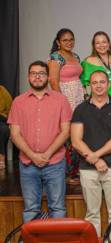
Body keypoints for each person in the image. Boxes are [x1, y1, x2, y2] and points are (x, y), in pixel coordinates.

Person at [8, 61, 71, 222]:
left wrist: (47, 154)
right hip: (28, 164)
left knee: (57, 208)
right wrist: (33, 155)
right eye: (33, 73)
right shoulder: (18, 102)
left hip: (55, 163)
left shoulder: (61, 100)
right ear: (28, 76)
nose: (37, 76)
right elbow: (15, 134)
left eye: (41, 73)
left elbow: (66, 131)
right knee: (30, 209)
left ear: (48, 77)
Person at [71, 70, 111, 236]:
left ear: (108, 84)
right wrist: (95, 160)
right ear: (89, 86)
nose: (99, 86)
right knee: (91, 214)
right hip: (87, 168)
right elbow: (75, 141)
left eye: (102, 82)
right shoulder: (80, 109)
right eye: (95, 83)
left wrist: (96, 156)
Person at [48, 28, 84, 184]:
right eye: (65, 40)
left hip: (78, 97)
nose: (69, 42)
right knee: (67, 136)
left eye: (71, 39)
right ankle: (69, 173)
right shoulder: (56, 57)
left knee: (79, 133)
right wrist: (62, 103)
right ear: (58, 42)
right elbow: (53, 81)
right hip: (65, 98)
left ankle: (78, 170)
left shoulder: (75, 56)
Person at [81, 31, 111, 104]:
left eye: (104, 42)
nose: (101, 45)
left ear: (108, 43)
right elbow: (81, 82)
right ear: (94, 45)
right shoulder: (88, 61)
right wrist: (86, 96)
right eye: (97, 43)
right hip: (97, 102)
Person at [0, 85, 12, 169]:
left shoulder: (2, 90)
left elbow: (11, 109)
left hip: (1, 119)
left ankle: (1, 157)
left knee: (3, 129)